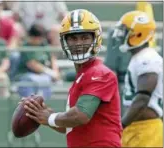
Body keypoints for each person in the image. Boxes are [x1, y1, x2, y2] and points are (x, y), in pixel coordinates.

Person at [21, 9, 122, 147]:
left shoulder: (100, 73)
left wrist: (50, 117)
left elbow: (81, 115)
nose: (79, 43)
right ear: (64, 42)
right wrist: (43, 114)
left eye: (85, 38)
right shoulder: (82, 76)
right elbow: (69, 126)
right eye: (73, 38)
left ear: (96, 39)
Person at [112, 11, 163, 147]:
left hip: (146, 129)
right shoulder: (139, 57)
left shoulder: (147, 58)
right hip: (136, 127)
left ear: (138, 34)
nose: (120, 35)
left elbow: (142, 99)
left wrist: (121, 125)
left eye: (125, 31)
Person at [15, 24, 60, 100]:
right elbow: (32, 64)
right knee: (33, 81)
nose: (40, 40)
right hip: (26, 76)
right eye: (38, 38)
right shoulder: (25, 46)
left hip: (42, 76)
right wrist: (50, 72)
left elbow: (52, 58)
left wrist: (56, 72)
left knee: (46, 80)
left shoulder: (43, 44)